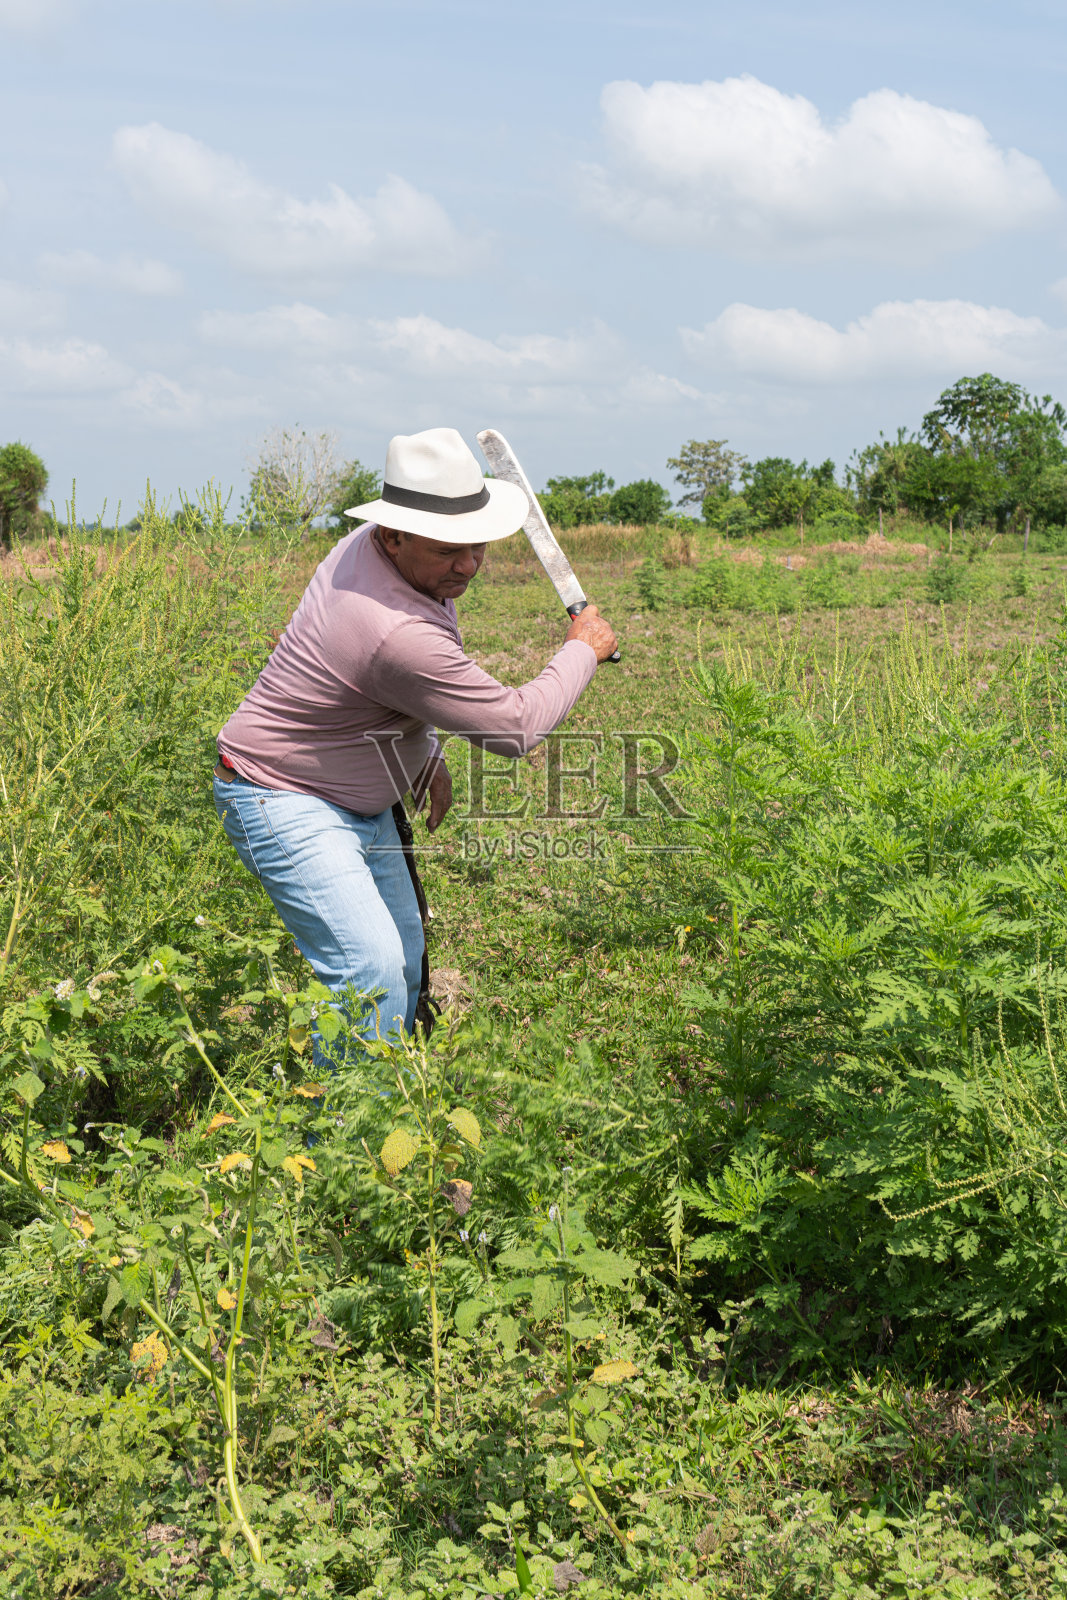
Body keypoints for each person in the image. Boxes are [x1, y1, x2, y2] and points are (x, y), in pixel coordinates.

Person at [213, 426, 617, 1054]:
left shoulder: (379, 553)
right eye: (447, 550)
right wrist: (582, 651)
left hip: (355, 794)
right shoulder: (393, 628)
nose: (468, 565)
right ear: (394, 534)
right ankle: (341, 1145)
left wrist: (422, 753)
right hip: (285, 796)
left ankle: (388, 1115)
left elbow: (383, 688)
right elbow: (515, 728)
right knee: (368, 973)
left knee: (404, 960)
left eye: (477, 545)